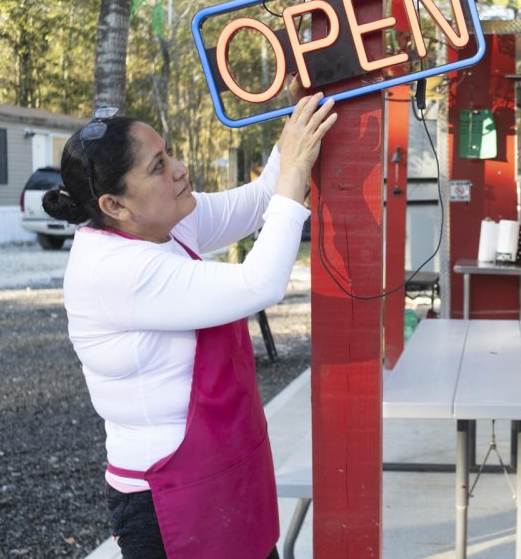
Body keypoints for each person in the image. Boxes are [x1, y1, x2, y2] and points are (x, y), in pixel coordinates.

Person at [43, 85, 336, 559]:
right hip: (166, 496)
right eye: (158, 167)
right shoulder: (114, 269)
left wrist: (296, 125)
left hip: (227, 473)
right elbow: (259, 284)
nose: (180, 168)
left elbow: (263, 199)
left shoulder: (165, 223)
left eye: (169, 153)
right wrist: (298, 167)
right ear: (114, 206)